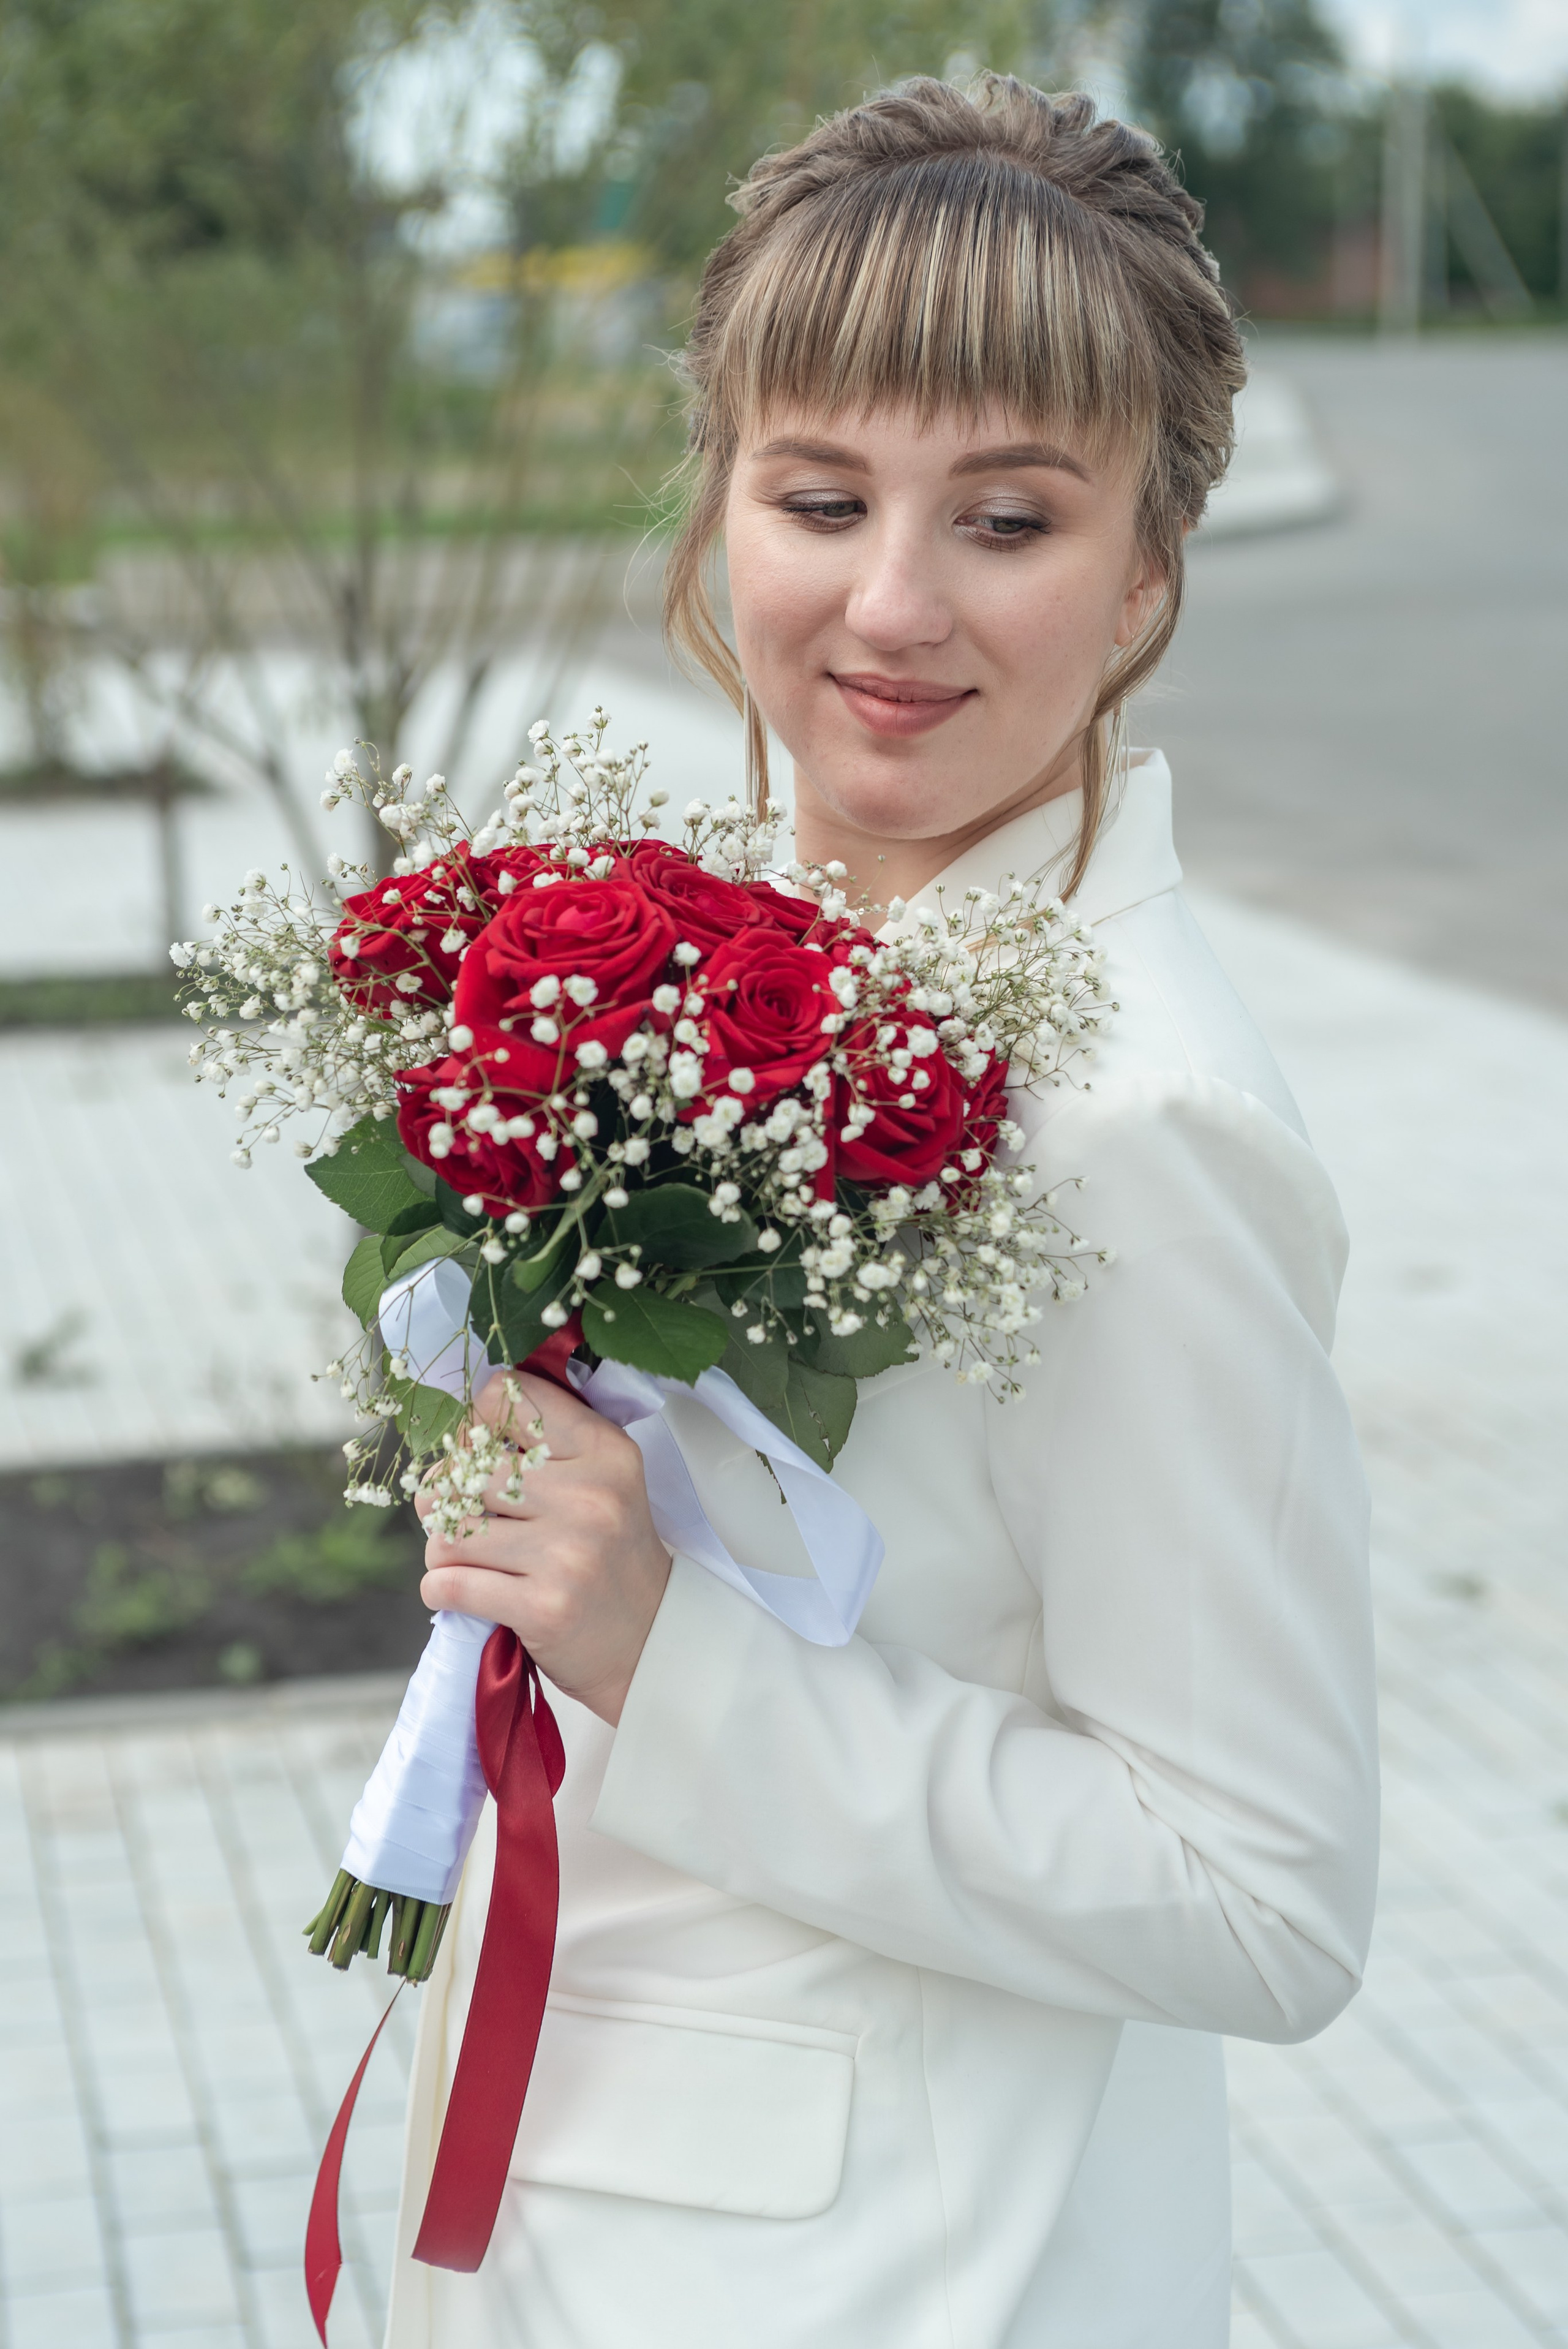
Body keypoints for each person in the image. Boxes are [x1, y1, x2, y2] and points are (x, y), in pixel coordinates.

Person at [385, 75, 1378, 2349]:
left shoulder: (1143, 1119)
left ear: (1145, 565)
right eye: (820, 496)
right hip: (565, 2189)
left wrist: (667, 1650)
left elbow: (1265, 1898)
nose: (892, 605)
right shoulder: (727, 949)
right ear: (720, 500)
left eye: (1009, 521)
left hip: (882, 2280)